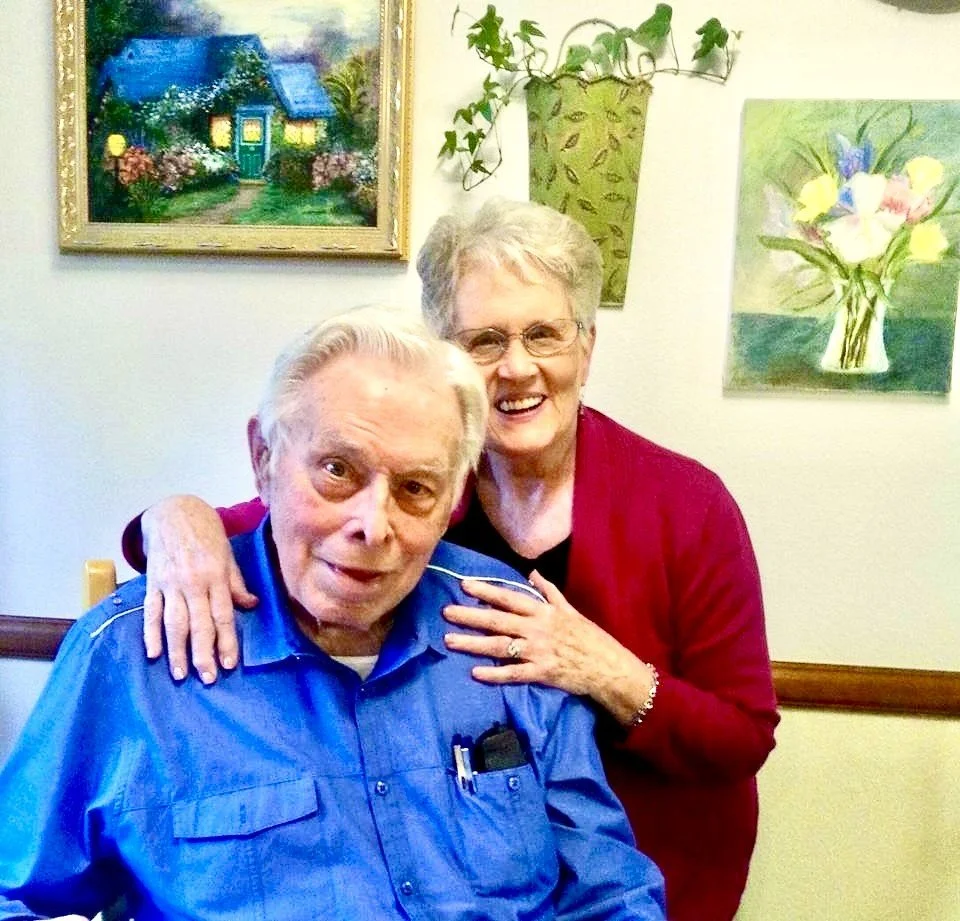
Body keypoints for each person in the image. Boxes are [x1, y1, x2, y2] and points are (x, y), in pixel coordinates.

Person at [122, 201, 780, 921]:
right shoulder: (417, 487)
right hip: (464, 871)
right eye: (486, 340)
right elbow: (287, 511)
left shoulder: (687, 504)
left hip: (652, 872)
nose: (518, 366)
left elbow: (743, 735)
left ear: (586, 349)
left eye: (544, 335)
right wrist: (171, 518)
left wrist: (603, 670)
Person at [0, 307, 667, 921]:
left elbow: (611, 891)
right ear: (264, 459)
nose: (372, 525)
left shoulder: (512, 628)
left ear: (452, 501)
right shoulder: (132, 657)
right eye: (338, 471)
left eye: (414, 488)